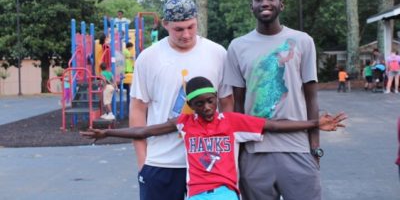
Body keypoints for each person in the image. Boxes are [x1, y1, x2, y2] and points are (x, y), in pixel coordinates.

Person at [81, 77, 347, 200]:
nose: (206, 108)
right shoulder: (185, 123)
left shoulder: (232, 122)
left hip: (225, 193)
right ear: (191, 106)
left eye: (210, 101)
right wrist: (107, 132)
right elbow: (146, 131)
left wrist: (315, 123)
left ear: (216, 100)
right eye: (199, 104)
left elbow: (274, 125)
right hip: (195, 194)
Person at [223, 0, 326, 200]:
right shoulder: (237, 46)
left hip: (297, 148)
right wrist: (239, 154)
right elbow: (238, 105)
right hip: (254, 152)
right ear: (251, 7)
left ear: (282, 4)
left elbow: (311, 97)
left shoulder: (302, 41)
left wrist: (315, 147)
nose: (265, 2)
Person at [129, 0, 233, 200]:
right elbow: (138, 108)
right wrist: (143, 161)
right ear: (165, 24)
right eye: (178, 29)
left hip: (208, 163)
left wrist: (228, 156)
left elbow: (227, 103)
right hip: (161, 162)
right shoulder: (149, 58)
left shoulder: (217, 53)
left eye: (191, 27)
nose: (186, 34)